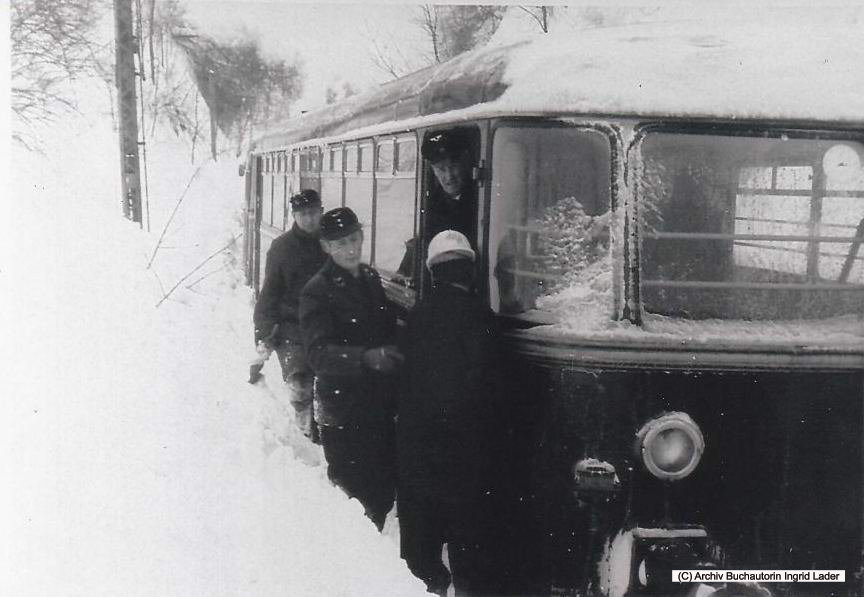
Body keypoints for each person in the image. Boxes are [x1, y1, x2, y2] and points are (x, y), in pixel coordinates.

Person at [397, 230, 501, 596]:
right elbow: (490, 389)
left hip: (421, 449)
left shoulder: (417, 317)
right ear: (471, 272)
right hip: (467, 452)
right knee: (468, 541)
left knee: (422, 544)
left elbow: (405, 381)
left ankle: (433, 586)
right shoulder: (484, 320)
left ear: (431, 273)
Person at [300, 207, 403, 531]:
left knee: (381, 495)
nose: (351, 248)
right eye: (341, 243)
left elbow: (384, 326)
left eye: (355, 239)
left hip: (376, 406)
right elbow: (317, 354)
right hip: (342, 412)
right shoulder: (316, 290)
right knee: (353, 502)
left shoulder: (370, 278)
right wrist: (365, 357)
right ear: (326, 247)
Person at [253, 189, 326, 442]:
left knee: (328, 386)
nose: (309, 219)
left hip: (326, 327)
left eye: (313, 213)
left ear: (321, 212)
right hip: (292, 328)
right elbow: (270, 292)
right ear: (294, 215)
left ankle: (324, 431)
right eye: (303, 214)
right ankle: (306, 435)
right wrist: (264, 332)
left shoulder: (332, 243)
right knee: (300, 383)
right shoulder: (282, 248)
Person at [397, 128, 477, 279]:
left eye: (453, 167)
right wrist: (404, 270)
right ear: (433, 170)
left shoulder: (480, 200)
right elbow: (424, 240)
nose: (449, 176)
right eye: (441, 169)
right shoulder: (433, 205)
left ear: (464, 164)